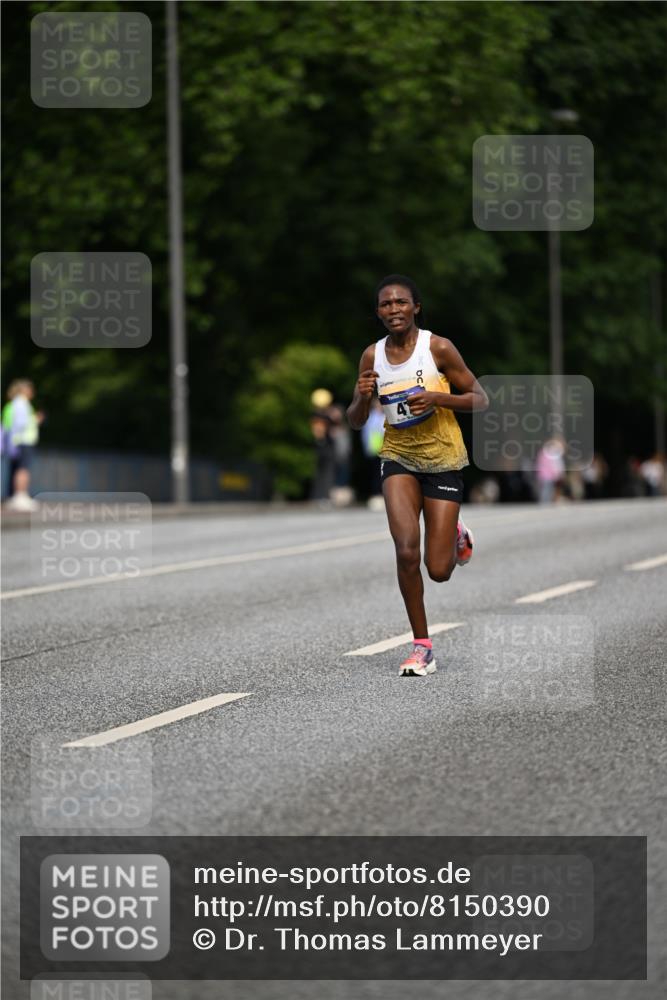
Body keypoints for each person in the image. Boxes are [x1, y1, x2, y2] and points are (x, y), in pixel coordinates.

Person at [347, 275, 488, 676]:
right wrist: (362, 396)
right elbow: (355, 420)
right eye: (386, 304)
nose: (393, 309)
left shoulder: (437, 348)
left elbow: (480, 398)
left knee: (439, 570)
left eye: (401, 302)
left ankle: (457, 533)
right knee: (406, 550)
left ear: (416, 307)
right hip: (398, 457)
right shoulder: (371, 356)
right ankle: (422, 646)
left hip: (443, 457)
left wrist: (438, 397)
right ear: (378, 312)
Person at [2, 379, 43, 511]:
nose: (32, 392)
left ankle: (14, 496)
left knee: (16, 469)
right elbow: (20, 423)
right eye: (30, 389)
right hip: (23, 441)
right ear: (24, 390)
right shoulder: (21, 403)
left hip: (16, 441)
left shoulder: (13, 404)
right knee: (23, 469)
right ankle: (20, 496)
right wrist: (35, 420)